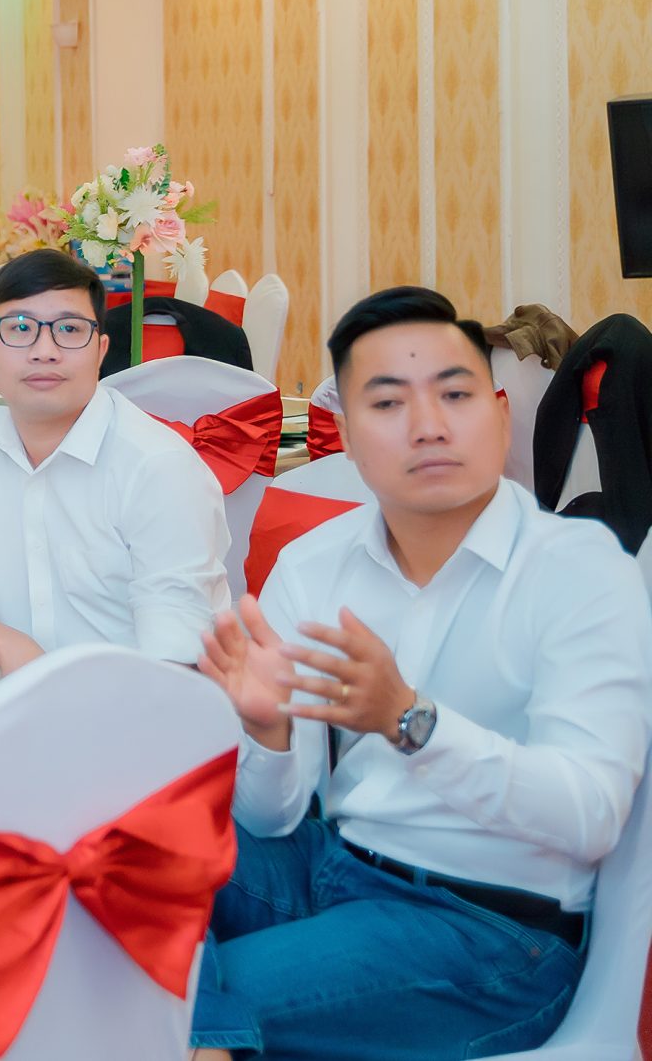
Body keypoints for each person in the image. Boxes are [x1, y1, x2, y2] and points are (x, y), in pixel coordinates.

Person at [190, 287, 652, 1061]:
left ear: (500, 414)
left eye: (455, 394)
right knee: (121, 848)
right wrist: (268, 733)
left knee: (172, 989)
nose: (428, 424)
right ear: (347, 434)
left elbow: (591, 815)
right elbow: (272, 818)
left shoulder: (580, 571)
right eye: (388, 402)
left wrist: (409, 718)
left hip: (490, 931)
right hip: (330, 864)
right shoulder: (314, 565)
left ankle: (193, 1024)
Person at [0, 247, 229, 669]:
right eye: (19, 328)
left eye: (69, 329)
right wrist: (6, 645)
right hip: (29, 698)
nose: (44, 350)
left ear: (100, 350)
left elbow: (176, 660)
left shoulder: (158, 467)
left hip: (145, 700)